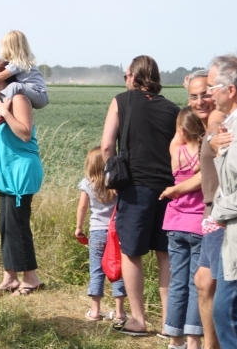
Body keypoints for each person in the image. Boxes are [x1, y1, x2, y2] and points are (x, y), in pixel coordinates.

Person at [101, 55, 180, 336]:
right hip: (170, 190)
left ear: (134, 77)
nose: (125, 81)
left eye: (126, 76)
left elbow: (107, 145)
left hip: (135, 188)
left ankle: (138, 319)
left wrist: (111, 180)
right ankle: (171, 323)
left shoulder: (122, 101)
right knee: (165, 255)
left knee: (131, 252)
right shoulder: (173, 109)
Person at [159, 70, 228, 348]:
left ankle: (180, 338)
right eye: (194, 96)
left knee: (192, 281)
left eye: (206, 93)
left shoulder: (207, 131)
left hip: (192, 219)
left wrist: (176, 189)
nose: (201, 100)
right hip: (201, 219)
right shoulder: (206, 135)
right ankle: (193, 339)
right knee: (199, 282)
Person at [0, 60, 44, 298]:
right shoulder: (7, 101)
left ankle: (31, 278)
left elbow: (25, 133)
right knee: (6, 225)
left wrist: (5, 112)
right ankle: (10, 277)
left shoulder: (19, 99)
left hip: (20, 172)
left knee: (18, 226)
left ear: (3, 79)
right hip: (7, 172)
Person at [208, 53, 237, 349]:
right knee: (225, 315)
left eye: (212, 87)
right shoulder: (235, 123)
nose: (209, 94)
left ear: (230, 90)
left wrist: (218, 212)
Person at [161, 106, 206, 349]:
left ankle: (174, 338)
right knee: (195, 283)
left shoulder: (175, 151)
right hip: (198, 225)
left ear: (181, 130)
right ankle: (194, 340)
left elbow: (178, 136)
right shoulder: (205, 154)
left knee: (177, 281)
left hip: (174, 224)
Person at [75, 146, 126, 322]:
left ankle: (95, 311)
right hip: (116, 232)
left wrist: (78, 227)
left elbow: (82, 206)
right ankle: (120, 313)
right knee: (117, 270)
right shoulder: (116, 183)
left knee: (96, 270)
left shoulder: (87, 183)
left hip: (96, 232)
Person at [0, 31, 49, 127]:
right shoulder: (22, 62)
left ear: (10, 48)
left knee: (14, 86)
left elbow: (1, 76)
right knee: (13, 87)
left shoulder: (19, 63)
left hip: (39, 95)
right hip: (38, 95)